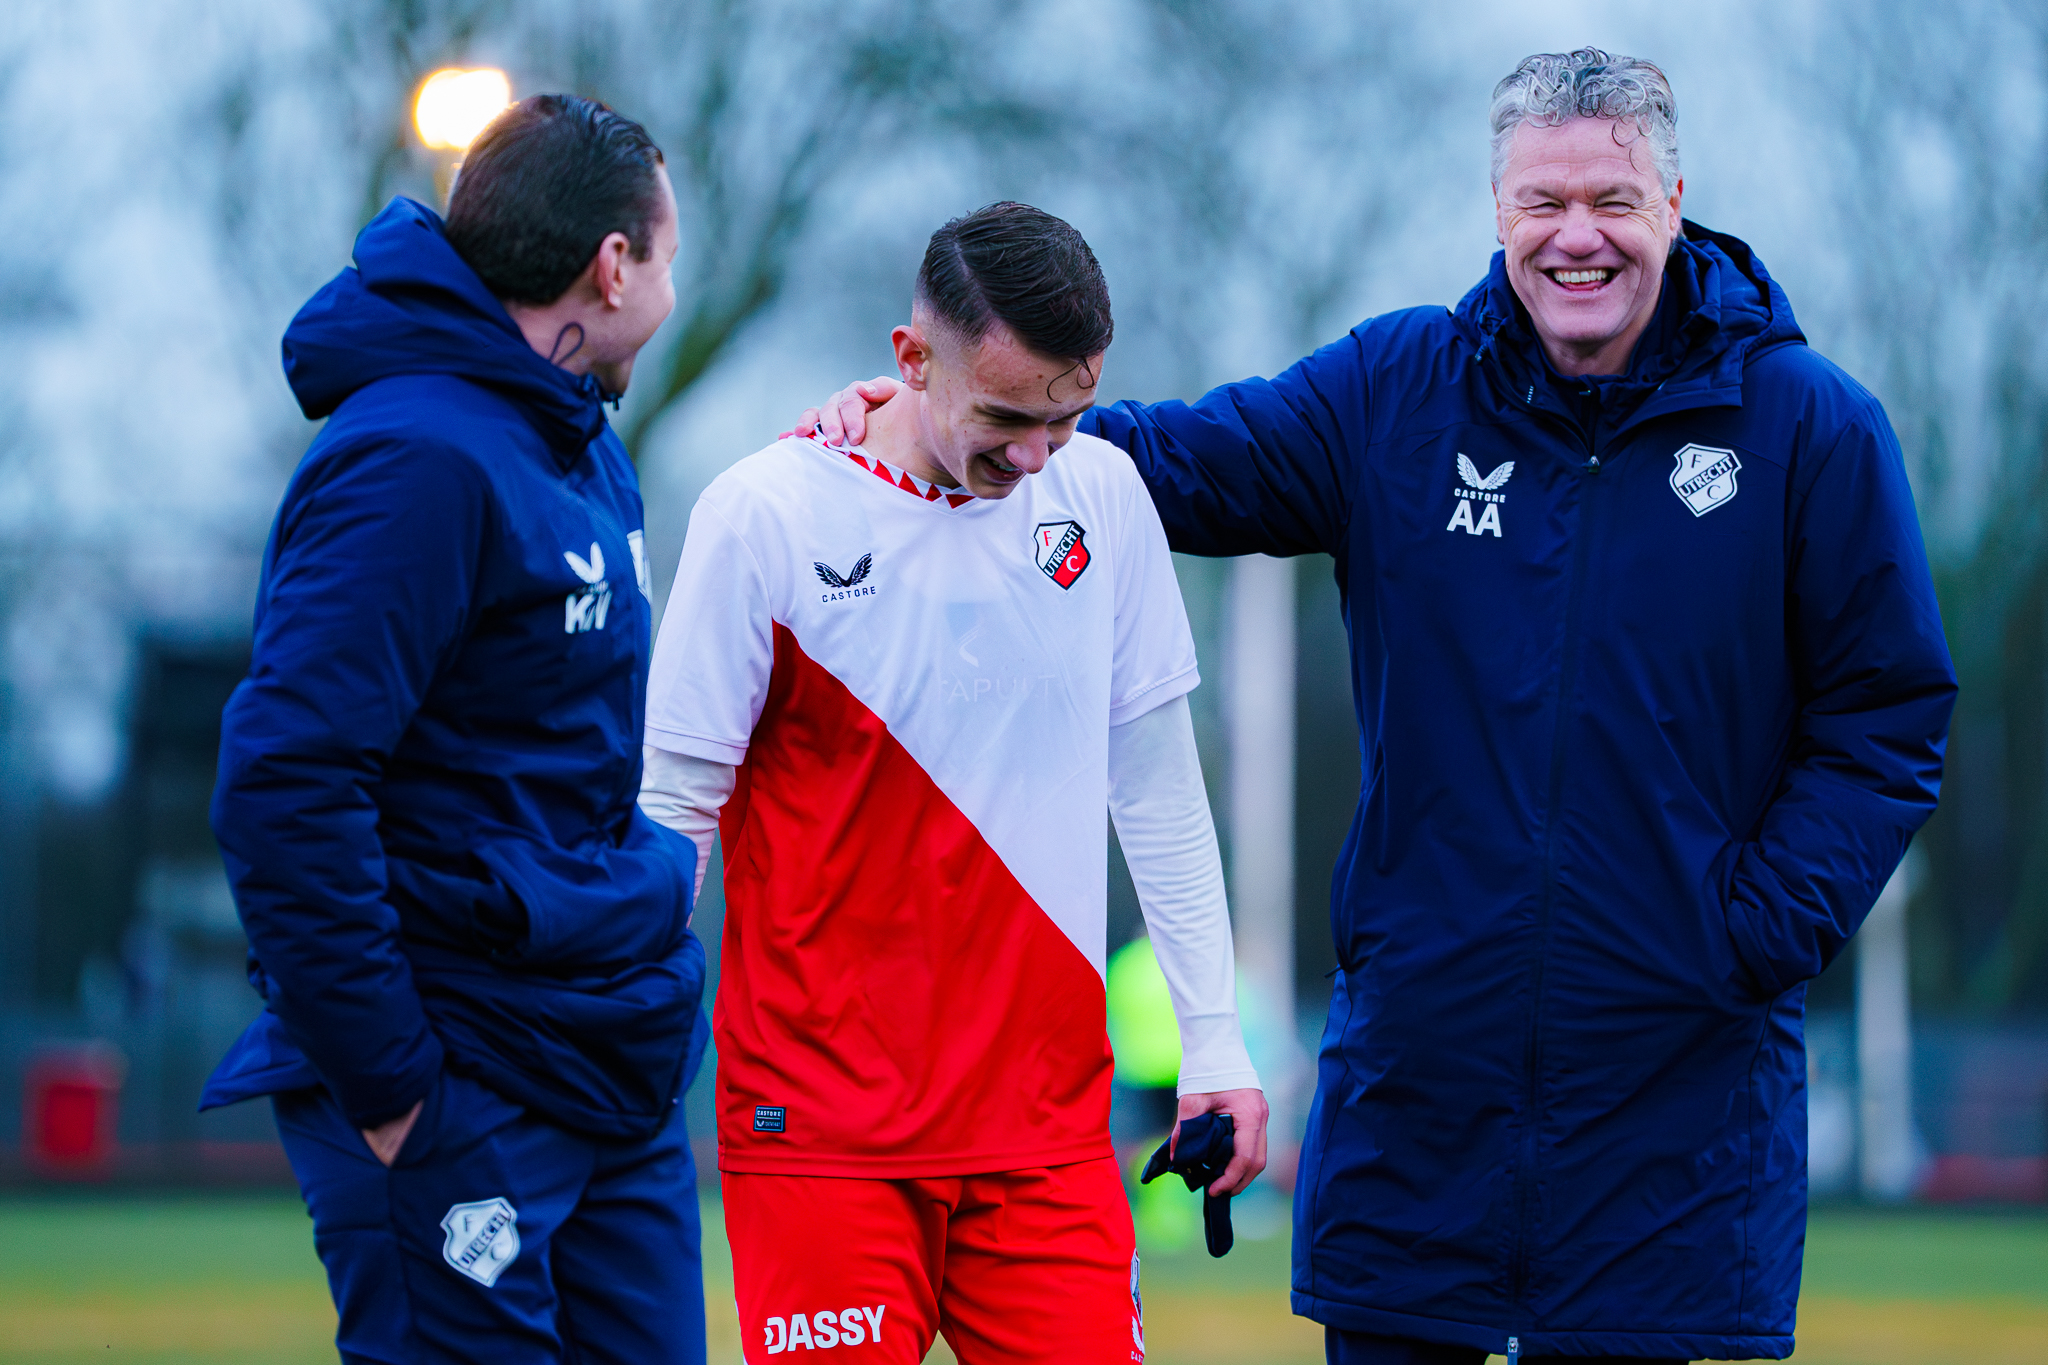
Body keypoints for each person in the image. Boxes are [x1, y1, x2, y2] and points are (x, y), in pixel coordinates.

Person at [801, 49, 1958, 1365]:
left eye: (1612, 201)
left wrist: (1752, 933)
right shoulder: (1400, 390)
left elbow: (1889, 719)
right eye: (1541, 203)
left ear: (1675, 200)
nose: (1576, 236)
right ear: (1498, 207)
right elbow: (1170, 462)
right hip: (1424, 1091)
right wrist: (944, 417)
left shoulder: (1809, 426)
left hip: (1673, 1105)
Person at [639, 201, 1266, 1364]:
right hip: (819, 1131)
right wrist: (633, 1043)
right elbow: (674, 813)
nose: (1033, 457)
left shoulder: (1107, 497)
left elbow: (1160, 791)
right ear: (909, 360)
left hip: (1050, 1135)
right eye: (1003, 418)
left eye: (1064, 418)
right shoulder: (761, 517)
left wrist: (1215, 1047)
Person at [200, 95, 708, 1365]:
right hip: (453, 1074)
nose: (672, 276)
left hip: (600, 1057)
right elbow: (285, 781)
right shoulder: (418, 457)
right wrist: (393, 1094)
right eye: (670, 248)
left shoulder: (575, 440)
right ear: (613, 263)